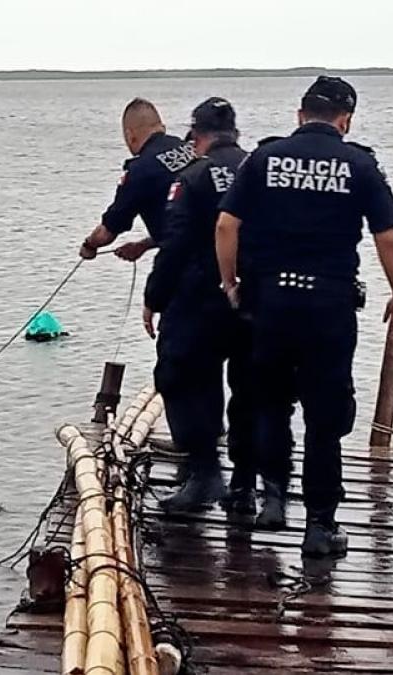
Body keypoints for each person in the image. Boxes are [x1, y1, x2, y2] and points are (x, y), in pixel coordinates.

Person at [214, 76, 393, 556]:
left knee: (272, 403)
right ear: (346, 120)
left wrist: (231, 282)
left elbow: (225, 225)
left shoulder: (263, 158)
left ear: (301, 115)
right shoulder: (360, 164)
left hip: (271, 303)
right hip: (329, 306)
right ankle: (320, 527)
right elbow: (387, 238)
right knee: (326, 416)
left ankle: (273, 500)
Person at [142, 97, 250, 512]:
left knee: (180, 377)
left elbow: (176, 244)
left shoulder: (192, 177)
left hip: (199, 297)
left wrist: (154, 298)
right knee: (249, 388)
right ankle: (247, 487)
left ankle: (204, 473)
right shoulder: (256, 167)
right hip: (251, 296)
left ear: (197, 137)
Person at [80, 98, 194, 262]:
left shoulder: (140, 170)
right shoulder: (189, 148)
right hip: (221, 249)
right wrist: (143, 245)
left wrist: (89, 245)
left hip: (186, 261)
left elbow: (108, 231)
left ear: (129, 135)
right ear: (162, 127)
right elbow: (186, 223)